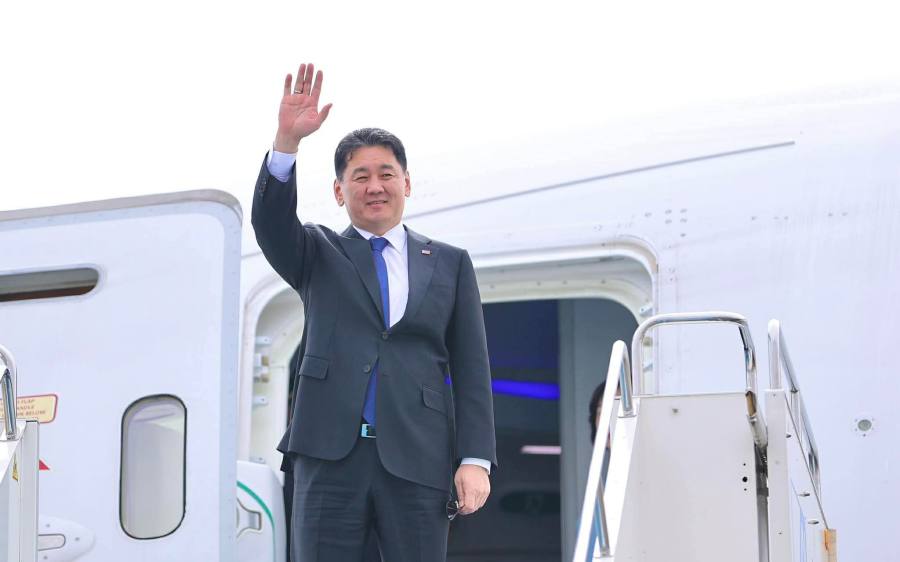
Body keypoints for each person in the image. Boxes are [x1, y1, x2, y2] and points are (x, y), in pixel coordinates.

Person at [251, 63, 497, 562]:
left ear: (407, 182)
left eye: (386, 174)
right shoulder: (317, 252)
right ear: (339, 191)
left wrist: (475, 459)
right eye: (359, 177)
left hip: (418, 458)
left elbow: (472, 368)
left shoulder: (450, 263)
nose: (374, 186)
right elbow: (271, 222)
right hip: (328, 458)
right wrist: (286, 144)